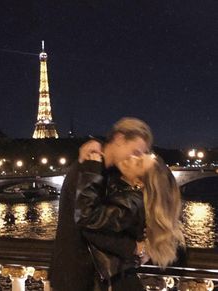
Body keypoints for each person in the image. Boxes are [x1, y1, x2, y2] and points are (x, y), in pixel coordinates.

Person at [49, 117, 153, 291]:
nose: (136, 159)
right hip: (80, 276)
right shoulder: (87, 169)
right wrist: (135, 248)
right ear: (119, 139)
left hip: (90, 274)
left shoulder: (107, 171)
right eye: (135, 151)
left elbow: (113, 220)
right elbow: (88, 225)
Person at [75, 153, 185, 290]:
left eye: (138, 162)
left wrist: (92, 169)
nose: (131, 156)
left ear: (139, 183)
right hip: (120, 280)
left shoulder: (131, 201)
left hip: (112, 283)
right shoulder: (130, 195)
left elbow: (86, 217)